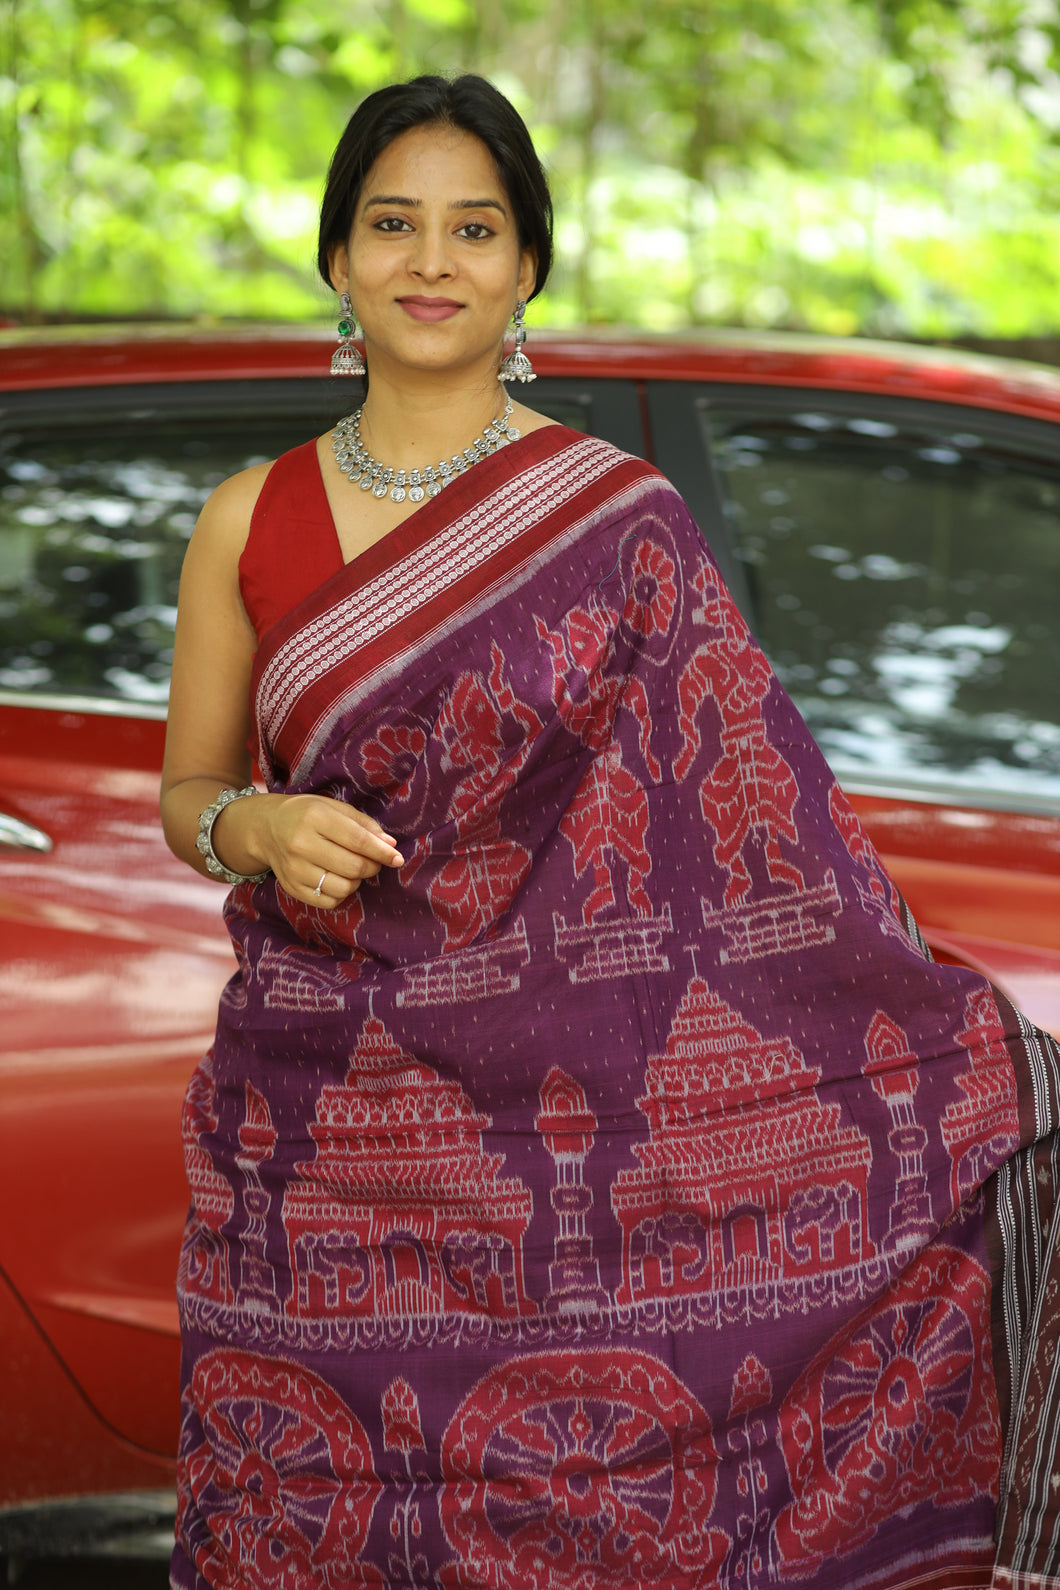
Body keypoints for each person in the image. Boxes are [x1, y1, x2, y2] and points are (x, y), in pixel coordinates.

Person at [161, 74, 1060, 1590]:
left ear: (527, 268)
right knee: (302, 1517)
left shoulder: (619, 517)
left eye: (474, 228)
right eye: (391, 223)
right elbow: (186, 792)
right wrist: (253, 823)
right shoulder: (250, 518)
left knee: (603, 1519)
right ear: (336, 259)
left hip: (573, 1129)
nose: (430, 261)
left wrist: (971, 1057)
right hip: (318, 1137)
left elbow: (762, 835)